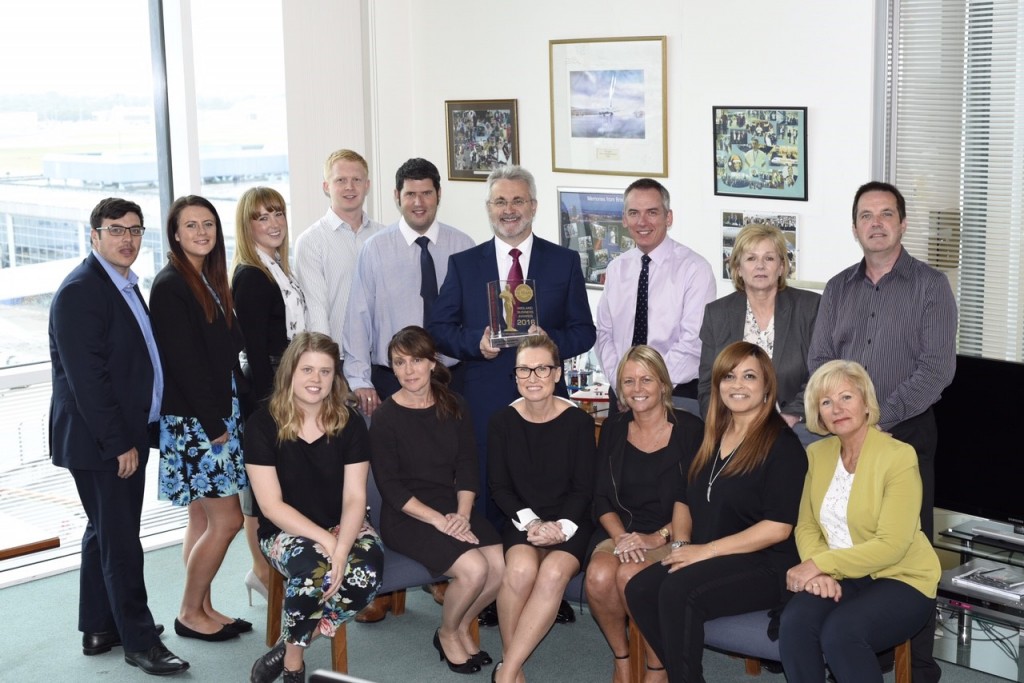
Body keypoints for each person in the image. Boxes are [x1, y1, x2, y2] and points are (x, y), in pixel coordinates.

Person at [430, 164, 595, 626]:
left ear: (534, 207)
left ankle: (549, 583)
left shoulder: (563, 262)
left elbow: (585, 330)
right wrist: (473, 344)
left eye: (518, 201)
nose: (509, 210)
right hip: (483, 395)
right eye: (500, 202)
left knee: (546, 483)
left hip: (545, 397)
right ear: (488, 210)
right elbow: (439, 329)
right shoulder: (465, 264)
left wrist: (549, 341)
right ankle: (491, 586)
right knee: (487, 486)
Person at [807, 180, 957, 683]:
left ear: (902, 223)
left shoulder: (930, 286)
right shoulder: (837, 288)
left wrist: (876, 419)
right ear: (855, 228)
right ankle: (860, 649)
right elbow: (820, 363)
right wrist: (844, 419)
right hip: (842, 439)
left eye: (886, 214)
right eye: (866, 216)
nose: (876, 223)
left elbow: (937, 369)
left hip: (906, 433)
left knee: (906, 543)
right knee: (848, 531)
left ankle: (919, 667)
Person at [49, 198, 189, 676]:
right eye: (115, 230)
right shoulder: (81, 291)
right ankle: (140, 640)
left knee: (104, 533)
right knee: (122, 541)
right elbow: (89, 382)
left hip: (120, 436)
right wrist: (119, 444)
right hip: (102, 443)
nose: (126, 239)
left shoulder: (124, 284)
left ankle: (99, 626)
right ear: (94, 235)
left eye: (134, 230)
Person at [624, 341, 807, 682]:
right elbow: (684, 498)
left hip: (764, 564)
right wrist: (680, 548)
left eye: (749, 376)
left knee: (678, 591)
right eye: (729, 376)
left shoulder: (782, 445)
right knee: (640, 589)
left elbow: (778, 527)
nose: (737, 385)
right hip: (711, 556)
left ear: (767, 386)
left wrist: (704, 551)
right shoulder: (713, 435)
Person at [779, 360, 940, 683]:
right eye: (826, 402)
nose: (837, 408)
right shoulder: (817, 454)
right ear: (818, 413)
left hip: (902, 578)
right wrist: (819, 569)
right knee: (795, 623)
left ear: (866, 402)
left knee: (842, 633)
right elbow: (807, 525)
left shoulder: (899, 456)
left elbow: (891, 545)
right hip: (844, 574)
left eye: (846, 398)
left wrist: (820, 564)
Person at [245, 332, 384, 683]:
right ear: (290, 372)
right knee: (312, 568)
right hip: (285, 530)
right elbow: (272, 506)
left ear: (335, 378)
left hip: (344, 522)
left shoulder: (349, 422)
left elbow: (355, 498)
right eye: (307, 369)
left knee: (366, 571)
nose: (316, 380)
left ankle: (290, 649)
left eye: (325, 371)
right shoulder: (262, 424)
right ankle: (294, 669)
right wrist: (329, 544)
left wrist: (342, 548)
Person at [369, 326, 504, 675]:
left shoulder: (454, 404)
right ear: (392, 369)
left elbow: (468, 465)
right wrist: (440, 521)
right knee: (474, 570)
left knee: (500, 569)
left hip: (452, 506)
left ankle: (459, 624)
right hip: (408, 515)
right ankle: (446, 633)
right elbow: (391, 488)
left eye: (416, 360)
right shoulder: (385, 417)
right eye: (400, 362)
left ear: (432, 363)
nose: (409, 370)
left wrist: (461, 513)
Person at [150, 195, 248, 642]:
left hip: (212, 412)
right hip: (198, 421)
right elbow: (183, 363)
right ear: (175, 233)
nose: (201, 232)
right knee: (227, 520)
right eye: (191, 226)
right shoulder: (171, 284)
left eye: (208, 224)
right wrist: (214, 425)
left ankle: (203, 605)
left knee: (202, 519)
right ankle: (190, 612)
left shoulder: (207, 277)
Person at [584, 345, 704, 683]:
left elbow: (698, 500)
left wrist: (657, 537)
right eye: (628, 381)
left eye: (646, 380)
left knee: (630, 576)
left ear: (664, 384)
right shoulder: (613, 427)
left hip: (674, 531)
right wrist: (621, 536)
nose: (637, 389)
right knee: (598, 576)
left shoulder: (691, 430)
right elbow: (601, 497)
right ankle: (622, 657)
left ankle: (657, 665)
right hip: (622, 529)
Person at [487, 335, 597, 683]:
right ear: (516, 375)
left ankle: (506, 673)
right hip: (522, 521)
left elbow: (584, 488)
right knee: (518, 572)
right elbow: (499, 488)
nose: (533, 377)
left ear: (557, 372)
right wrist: (533, 523)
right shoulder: (501, 422)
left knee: (551, 575)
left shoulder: (579, 421)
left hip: (572, 523)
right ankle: (513, 663)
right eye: (524, 370)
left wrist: (559, 526)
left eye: (542, 369)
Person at [343, 157, 474, 416]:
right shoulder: (375, 249)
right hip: (391, 380)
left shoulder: (463, 246)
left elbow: (473, 317)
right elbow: (358, 319)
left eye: (426, 193)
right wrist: (359, 380)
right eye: (410, 194)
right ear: (397, 196)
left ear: (438, 194)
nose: (418, 203)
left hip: (452, 377)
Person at [231, 186, 308, 607]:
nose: (273, 222)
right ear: (248, 227)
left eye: (277, 212)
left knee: (279, 485)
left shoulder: (278, 268)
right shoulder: (250, 275)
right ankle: (262, 573)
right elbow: (255, 353)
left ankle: (266, 572)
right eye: (262, 217)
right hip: (269, 396)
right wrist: (270, 409)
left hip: (289, 388)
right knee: (259, 493)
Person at [596, 178, 716, 415]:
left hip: (676, 393)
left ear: (668, 218)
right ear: (624, 219)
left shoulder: (695, 269)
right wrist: (622, 384)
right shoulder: (616, 268)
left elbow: (693, 342)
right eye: (634, 213)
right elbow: (604, 334)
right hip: (622, 396)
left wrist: (649, 386)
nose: (642, 222)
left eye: (652, 212)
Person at [697, 223, 819, 434]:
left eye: (769, 258)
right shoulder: (717, 314)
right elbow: (708, 386)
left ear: (781, 266)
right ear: (737, 269)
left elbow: (821, 372)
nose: (760, 266)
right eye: (751, 258)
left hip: (793, 428)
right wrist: (725, 429)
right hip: (734, 430)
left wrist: (792, 414)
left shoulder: (810, 307)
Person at [295, 149, 385, 348]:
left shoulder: (384, 237)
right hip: (339, 356)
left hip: (384, 356)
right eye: (340, 180)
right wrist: (327, 362)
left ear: (367, 185)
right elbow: (316, 310)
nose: (349, 187)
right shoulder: (311, 242)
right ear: (326, 186)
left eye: (356, 180)